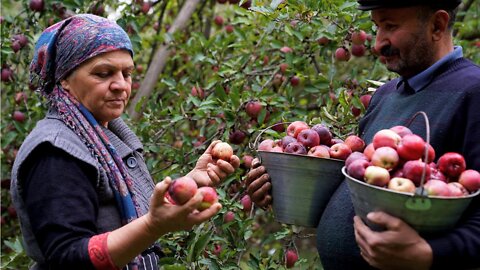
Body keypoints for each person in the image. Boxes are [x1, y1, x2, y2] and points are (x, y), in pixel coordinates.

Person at [246, 0, 480, 269]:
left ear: (437, 25)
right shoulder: (386, 95)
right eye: (377, 27)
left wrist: (429, 253)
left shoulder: (473, 93)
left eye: (390, 26)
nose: (378, 43)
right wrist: (282, 186)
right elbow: (357, 190)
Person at [10, 14, 240, 270]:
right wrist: (154, 226)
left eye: (127, 73)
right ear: (64, 78)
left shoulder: (105, 136)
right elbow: (68, 258)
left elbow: (123, 216)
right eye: (104, 73)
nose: (121, 85)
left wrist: (192, 180)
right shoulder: (55, 151)